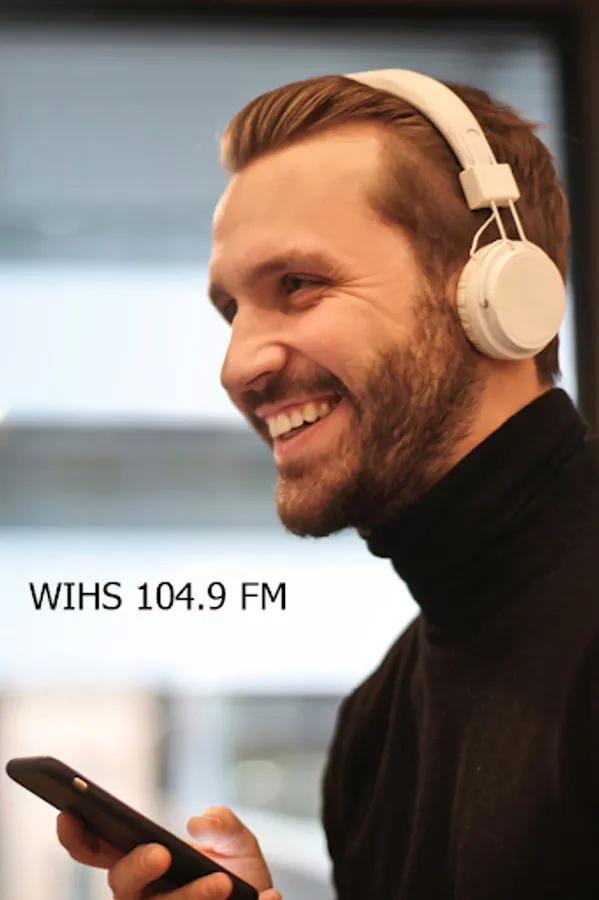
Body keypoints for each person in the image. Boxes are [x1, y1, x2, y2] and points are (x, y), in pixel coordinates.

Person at [57, 70, 599, 900]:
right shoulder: (376, 728)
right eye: (231, 310)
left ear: (497, 293)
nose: (237, 366)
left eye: (299, 286)